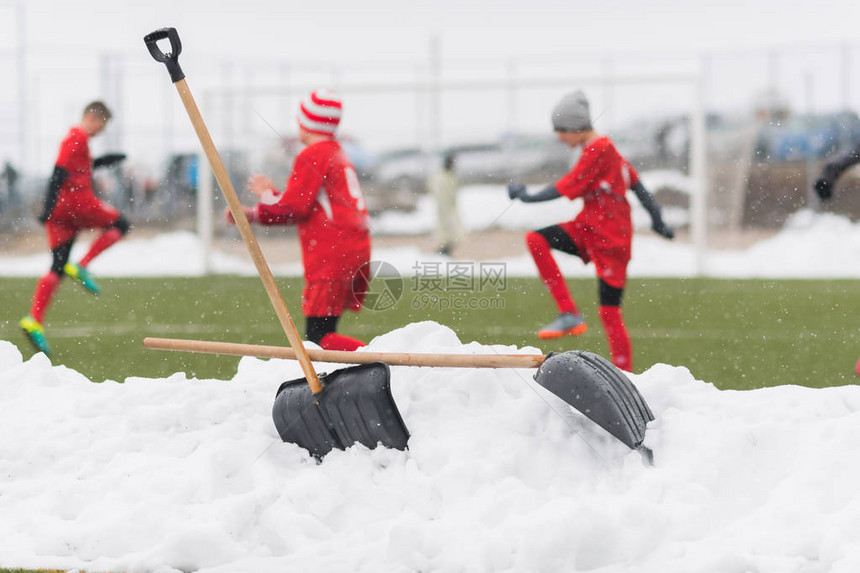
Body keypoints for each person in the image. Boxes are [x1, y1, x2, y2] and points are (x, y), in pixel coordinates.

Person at [508, 90, 674, 372]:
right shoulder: (608, 152)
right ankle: (570, 313)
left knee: (609, 312)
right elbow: (639, 187)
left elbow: (566, 185)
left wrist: (526, 196)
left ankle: (625, 374)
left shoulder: (600, 150)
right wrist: (658, 221)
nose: (560, 137)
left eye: (561, 131)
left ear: (575, 127)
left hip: (610, 239)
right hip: (589, 230)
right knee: (536, 240)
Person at [226, 89, 370, 351]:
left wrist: (258, 208)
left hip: (331, 257)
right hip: (351, 250)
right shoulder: (336, 152)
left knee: (318, 338)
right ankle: (357, 372)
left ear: (306, 123)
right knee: (324, 331)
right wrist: (268, 201)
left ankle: (376, 361)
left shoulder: (313, 155)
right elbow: (308, 205)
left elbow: (292, 209)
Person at [20, 101, 129, 356]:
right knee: (122, 224)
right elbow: (58, 171)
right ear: (93, 117)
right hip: (75, 204)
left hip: (62, 214)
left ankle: (34, 320)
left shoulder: (78, 141)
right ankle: (82, 265)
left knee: (57, 265)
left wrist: (104, 161)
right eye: (102, 125)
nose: (101, 131)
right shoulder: (76, 136)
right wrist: (47, 206)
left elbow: (77, 168)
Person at [428, 152, 463, 256]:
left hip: (450, 208)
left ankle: (447, 249)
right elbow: (438, 192)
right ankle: (444, 250)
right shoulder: (441, 178)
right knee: (446, 231)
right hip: (444, 208)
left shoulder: (450, 177)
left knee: (453, 231)